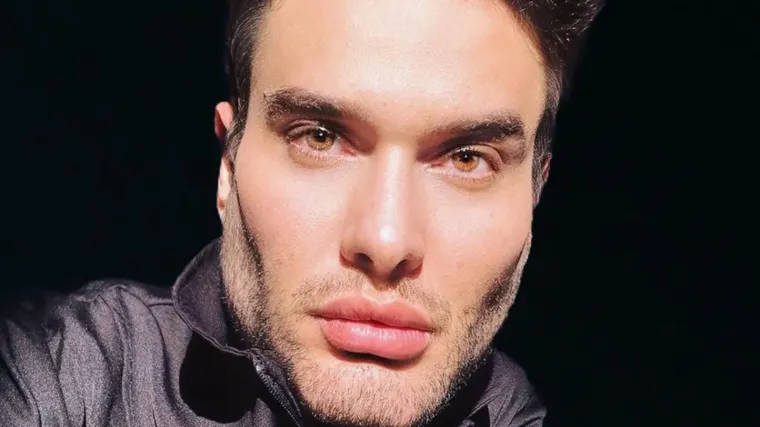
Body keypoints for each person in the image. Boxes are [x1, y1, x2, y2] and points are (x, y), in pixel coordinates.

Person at [1, 0, 602, 426]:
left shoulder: (514, 412)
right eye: (319, 137)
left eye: (468, 159)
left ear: (535, 191)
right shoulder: (62, 373)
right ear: (228, 166)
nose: (385, 240)